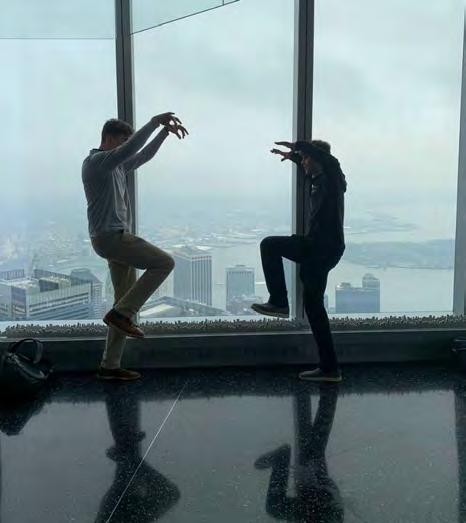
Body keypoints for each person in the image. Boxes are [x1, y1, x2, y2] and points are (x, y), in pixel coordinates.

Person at [82, 113, 188, 381]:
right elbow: (131, 150)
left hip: (112, 238)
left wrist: (164, 133)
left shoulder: (116, 167)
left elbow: (142, 156)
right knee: (164, 263)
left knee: (121, 302)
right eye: (122, 140)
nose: (126, 145)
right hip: (111, 238)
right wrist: (154, 122)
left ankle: (109, 366)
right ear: (108, 138)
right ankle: (121, 315)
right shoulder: (96, 163)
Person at [252, 140, 346, 382]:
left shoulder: (333, 180)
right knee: (314, 308)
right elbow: (312, 164)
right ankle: (330, 368)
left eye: (306, 158)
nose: (303, 162)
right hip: (319, 247)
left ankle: (279, 302)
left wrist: (298, 145)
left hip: (321, 248)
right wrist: (294, 157)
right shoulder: (318, 180)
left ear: (318, 158)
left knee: (269, 245)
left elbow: (330, 161)